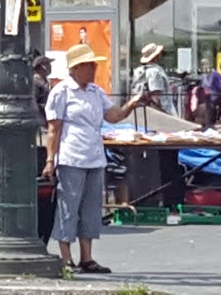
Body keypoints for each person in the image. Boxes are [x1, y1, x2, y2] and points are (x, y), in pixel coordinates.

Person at [43, 43, 148, 274]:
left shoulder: (96, 92)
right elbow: (54, 129)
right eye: (89, 65)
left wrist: (132, 103)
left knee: (91, 208)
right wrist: (50, 160)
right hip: (71, 156)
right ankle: (66, 257)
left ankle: (87, 257)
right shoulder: (62, 92)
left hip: (94, 156)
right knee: (69, 207)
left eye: (93, 65)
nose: (93, 69)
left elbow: (114, 116)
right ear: (76, 68)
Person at [130, 44, 174, 114]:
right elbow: (155, 95)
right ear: (156, 56)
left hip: (142, 110)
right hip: (158, 111)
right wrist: (162, 113)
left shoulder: (139, 71)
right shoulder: (154, 72)